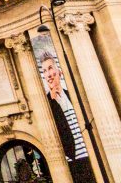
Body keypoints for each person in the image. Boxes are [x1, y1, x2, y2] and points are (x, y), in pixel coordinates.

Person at [40, 51, 95, 183]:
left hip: (89, 155)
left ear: (60, 72)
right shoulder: (46, 104)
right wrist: (52, 101)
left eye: (50, 68)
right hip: (71, 161)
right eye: (44, 71)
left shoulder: (72, 95)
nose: (48, 74)